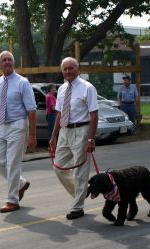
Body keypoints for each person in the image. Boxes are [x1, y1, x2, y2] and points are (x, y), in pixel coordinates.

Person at [0, 51, 37, 213]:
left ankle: (12, 200)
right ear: (0, 64)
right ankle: (20, 183)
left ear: (13, 63)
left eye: (10, 60)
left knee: (13, 162)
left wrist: (32, 134)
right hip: (0, 125)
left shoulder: (23, 82)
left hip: (18, 124)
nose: (7, 62)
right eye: (4, 60)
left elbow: (32, 110)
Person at [49, 57, 98, 220]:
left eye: (71, 68)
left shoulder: (87, 88)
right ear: (62, 71)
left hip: (81, 130)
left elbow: (94, 114)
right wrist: (54, 135)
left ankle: (78, 206)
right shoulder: (62, 89)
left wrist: (91, 139)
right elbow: (59, 113)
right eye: (65, 69)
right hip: (65, 131)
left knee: (80, 170)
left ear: (78, 70)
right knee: (59, 167)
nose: (68, 71)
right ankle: (81, 193)